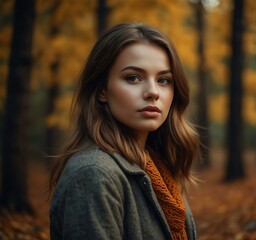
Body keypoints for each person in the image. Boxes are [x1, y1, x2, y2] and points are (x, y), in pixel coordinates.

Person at [49, 22, 200, 240]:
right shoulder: (94, 173)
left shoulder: (158, 167)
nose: (153, 92)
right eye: (133, 78)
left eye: (163, 80)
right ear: (102, 90)